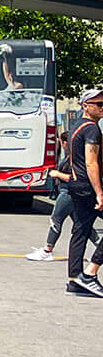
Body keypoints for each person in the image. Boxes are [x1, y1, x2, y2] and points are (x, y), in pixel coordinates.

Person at [64, 86, 103, 300]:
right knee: (81, 229)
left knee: (80, 230)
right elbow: (91, 162)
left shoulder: (76, 126)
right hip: (88, 187)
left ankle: (74, 279)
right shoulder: (91, 129)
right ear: (86, 106)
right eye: (99, 104)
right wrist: (99, 192)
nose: (102, 108)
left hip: (76, 185)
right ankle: (90, 273)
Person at [25, 134, 78, 262]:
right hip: (67, 192)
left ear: (65, 143)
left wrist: (57, 174)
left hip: (68, 192)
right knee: (81, 223)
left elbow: (75, 178)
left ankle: (47, 251)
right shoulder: (69, 156)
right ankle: (98, 245)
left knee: (56, 220)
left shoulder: (74, 159)